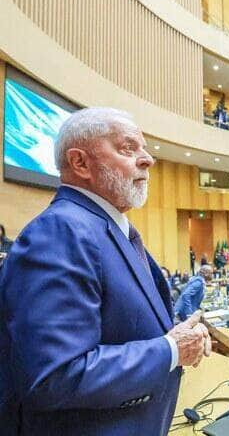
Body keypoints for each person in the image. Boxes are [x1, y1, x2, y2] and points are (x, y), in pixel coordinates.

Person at [0, 107, 211, 435]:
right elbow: (55, 375)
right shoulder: (60, 232)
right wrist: (171, 349)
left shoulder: (108, 229)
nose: (147, 160)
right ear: (80, 162)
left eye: (143, 148)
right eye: (128, 149)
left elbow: (124, 326)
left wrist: (179, 334)